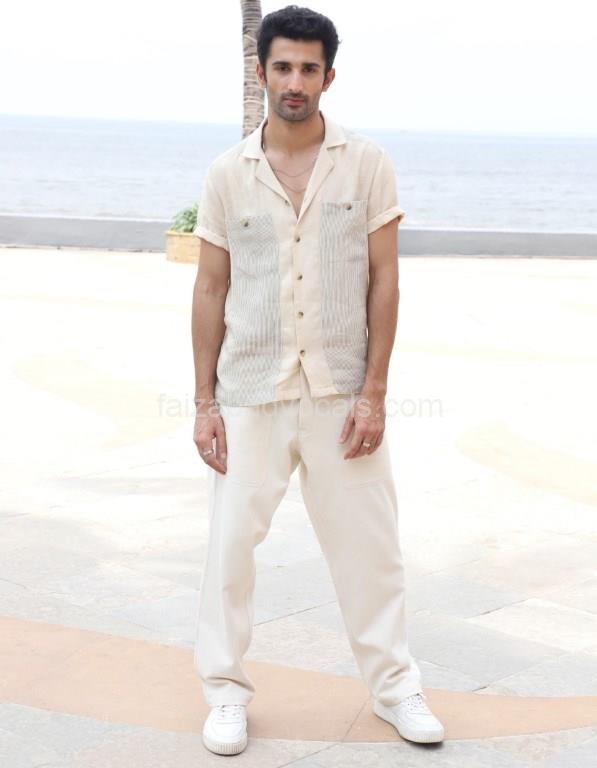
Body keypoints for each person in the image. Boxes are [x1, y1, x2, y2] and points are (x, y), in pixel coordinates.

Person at [191, 4, 445, 756]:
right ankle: (224, 694)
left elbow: (384, 279)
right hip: (250, 390)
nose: (294, 82)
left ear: (329, 77)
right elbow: (210, 287)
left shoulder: (366, 163)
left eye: (308, 68)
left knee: (371, 552)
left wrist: (374, 394)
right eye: (283, 67)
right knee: (229, 552)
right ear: (261, 72)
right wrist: (203, 402)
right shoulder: (226, 174)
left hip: (341, 394)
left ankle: (395, 689)